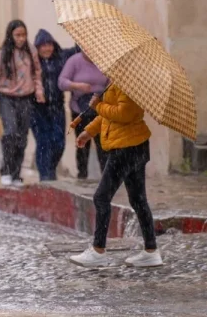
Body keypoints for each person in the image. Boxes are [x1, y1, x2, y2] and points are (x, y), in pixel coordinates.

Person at [69, 83, 162, 268]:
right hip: (133, 146)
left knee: (101, 197)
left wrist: (98, 106)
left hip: (126, 148)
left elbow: (124, 114)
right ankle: (151, 251)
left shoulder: (130, 85)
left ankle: (98, 250)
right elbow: (108, 116)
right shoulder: (117, 81)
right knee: (138, 199)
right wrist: (88, 132)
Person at [0, 19, 45, 187]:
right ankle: (6, 170)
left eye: (24, 35)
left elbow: (37, 73)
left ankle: (16, 173)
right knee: (10, 132)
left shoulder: (31, 52)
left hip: (26, 98)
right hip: (6, 98)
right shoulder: (0, 55)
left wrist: (39, 91)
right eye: (18, 35)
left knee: (22, 137)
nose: (21, 39)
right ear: (10, 35)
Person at [30, 29, 79, 181]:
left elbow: (77, 50)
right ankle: (46, 176)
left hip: (57, 107)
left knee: (59, 142)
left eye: (49, 45)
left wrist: (81, 35)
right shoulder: (31, 62)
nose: (47, 49)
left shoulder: (61, 57)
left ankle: (50, 169)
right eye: (43, 46)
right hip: (37, 109)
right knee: (43, 142)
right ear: (37, 48)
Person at [58, 51, 109, 179]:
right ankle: (82, 175)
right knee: (82, 143)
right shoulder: (74, 61)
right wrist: (77, 85)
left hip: (100, 107)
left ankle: (107, 176)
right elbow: (62, 82)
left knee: (103, 143)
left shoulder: (105, 62)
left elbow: (110, 81)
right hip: (80, 109)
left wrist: (106, 90)